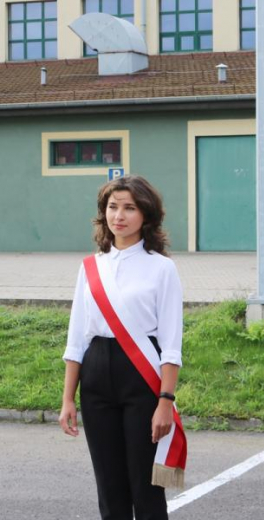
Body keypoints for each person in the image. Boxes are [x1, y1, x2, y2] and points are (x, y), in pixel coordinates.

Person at [58, 175, 186, 520]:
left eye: (129, 208)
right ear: (104, 214)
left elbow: (171, 344)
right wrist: (68, 399)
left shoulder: (162, 269)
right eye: (113, 207)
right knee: (110, 487)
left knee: (145, 487)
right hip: (97, 373)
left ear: (146, 215)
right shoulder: (90, 268)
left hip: (142, 379)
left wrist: (165, 401)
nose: (120, 215)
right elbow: (77, 338)